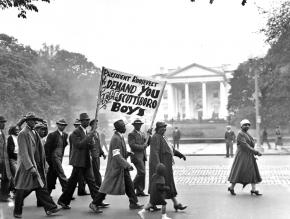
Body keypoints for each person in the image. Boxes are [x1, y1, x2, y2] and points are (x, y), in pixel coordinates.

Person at [13, 112, 60, 218]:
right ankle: (17, 211)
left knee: (40, 186)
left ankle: (51, 208)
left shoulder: (34, 132)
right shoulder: (23, 133)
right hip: (27, 167)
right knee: (22, 189)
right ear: (28, 121)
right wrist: (30, 167)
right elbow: (24, 153)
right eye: (32, 120)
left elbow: (42, 142)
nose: (35, 122)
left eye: (35, 120)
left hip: (37, 165)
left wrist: (45, 164)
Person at [93, 119, 144, 210]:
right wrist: (127, 165)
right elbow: (116, 155)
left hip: (120, 166)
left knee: (129, 185)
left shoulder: (120, 136)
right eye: (123, 126)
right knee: (107, 185)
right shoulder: (116, 138)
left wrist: (127, 153)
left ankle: (133, 202)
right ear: (119, 128)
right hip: (116, 167)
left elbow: (119, 151)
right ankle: (95, 203)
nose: (125, 128)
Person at [57, 113, 102, 213]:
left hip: (85, 160)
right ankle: (63, 200)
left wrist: (92, 142)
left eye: (88, 120)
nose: (87, 121)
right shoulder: (75, 133)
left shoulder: (85, 131)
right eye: (85, 120)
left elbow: (87, 145)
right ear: (81, 121)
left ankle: (96, 202)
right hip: (78, 161)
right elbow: (79, 145)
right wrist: (89, 136)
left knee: (91, 182)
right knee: (73, 183)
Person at [149, 122, 187, 212]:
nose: (164, 130)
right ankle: (174, 204)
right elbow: (154, 153)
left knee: (166, 184)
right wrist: (158, 166)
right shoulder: (155, 137)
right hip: (161, 167)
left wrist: (180, 155)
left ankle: (174, 204)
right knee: (161, 185)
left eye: (165, 128)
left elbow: (171, 149)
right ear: (157, 128)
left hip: (167, 167)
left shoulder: (163, 137)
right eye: (162, 128)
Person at [228, 119, 262, 196]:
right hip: (242, 156)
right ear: (241, 126)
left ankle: (254, 189)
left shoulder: (246, 133)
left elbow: (250, 144)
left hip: (249, 155)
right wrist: (256, 152)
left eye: (248, 125)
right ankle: (231, 187)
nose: (247, 126)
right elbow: (245, 146)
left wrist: (253, 153)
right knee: (239, 171)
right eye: (245, 125)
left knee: (253, 171)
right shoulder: (240, 134)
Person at [44, 119, 69, 195]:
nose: (62, 126)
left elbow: (64, 146)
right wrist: (49, 160)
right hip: (53, 156)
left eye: (64, 125)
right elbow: (47, 148)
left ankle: (47, 194)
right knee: (61, 174)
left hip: (60, 156)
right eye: (61, 125)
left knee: (52, 175)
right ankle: (67, 192)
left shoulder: (65, 135)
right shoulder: (52, 135)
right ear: (58, 125)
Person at [128, 119, 151, 197]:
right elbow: (132, 145)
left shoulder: (142, 133)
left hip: (143, 156)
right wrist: (142, 147)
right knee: (142, 172)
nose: (139, 126)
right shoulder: (131, 134)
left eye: (140, 124)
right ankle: (131, 188)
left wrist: (149, 135)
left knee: (142, 174)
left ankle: (140, 191)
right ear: (134, 125)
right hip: (136, 156)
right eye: (137, 124)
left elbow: (147, 143)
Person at [69, 119, 88, 196]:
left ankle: (81, 190)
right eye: (76, 125)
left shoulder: (83, 132)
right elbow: (75, 147)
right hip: (77, 159)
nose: (77, 126)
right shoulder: (74, 134)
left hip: (81, 158)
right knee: (75, 178)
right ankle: (79, 191)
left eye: (78, 125)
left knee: (81, 177)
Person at [89, 119, 106, 188]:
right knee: (96, 170)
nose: (97, 125)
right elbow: (89, 145)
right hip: (93, 154)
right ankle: (99, 184)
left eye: (97, 124)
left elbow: (99, 144)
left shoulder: (97, 133)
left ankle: (97, 184)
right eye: (95, 124)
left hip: (97, 154)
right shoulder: (90, 133)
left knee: (97, 169)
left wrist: (102, 153)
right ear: (92, 125)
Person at [0, 116, 12, 202]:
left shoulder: (2, 133)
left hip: (4, 159)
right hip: (1, 159)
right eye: (2, 122)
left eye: (4, 122)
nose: (4, 124)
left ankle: (4, 196)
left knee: (6, 177)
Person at [7, 125, 20, 197]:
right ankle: (15, 191)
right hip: (13, 159)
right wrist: (17, 156)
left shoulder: (18, 137)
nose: (17, 131)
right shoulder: (10, 137)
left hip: (19, 159)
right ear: (12, 130)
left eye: (18, 130)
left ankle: (12, 190)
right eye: (16, 130)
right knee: (15, 175)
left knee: (17, 176)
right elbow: (10, 150)